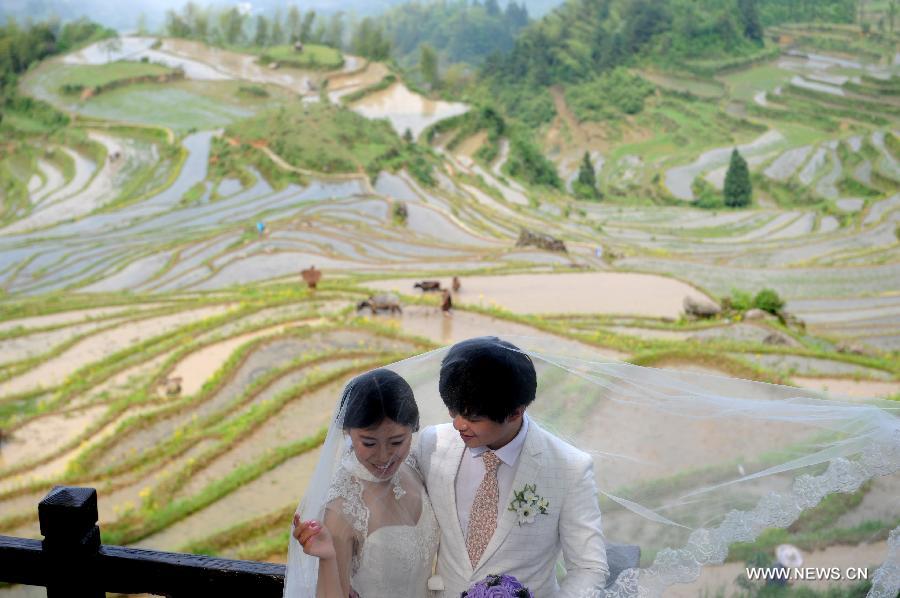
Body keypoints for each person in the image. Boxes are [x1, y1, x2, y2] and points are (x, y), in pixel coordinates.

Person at [415, 336, 609, 597]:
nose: (458, 424)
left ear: (515, 412)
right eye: (453, 411)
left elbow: (588, 567)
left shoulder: (570, 468)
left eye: (472, 417)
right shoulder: (432, 443)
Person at [288, 369, 439, 598]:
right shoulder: (340, 507)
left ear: (414, 427)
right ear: (347, 432)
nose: (384, 456)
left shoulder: (414, 465)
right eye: (369, 443)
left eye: (397, 441)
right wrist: (328, 557)